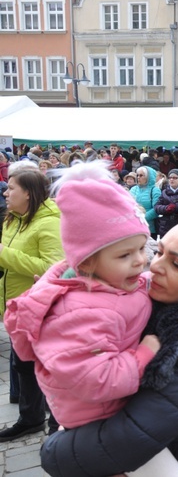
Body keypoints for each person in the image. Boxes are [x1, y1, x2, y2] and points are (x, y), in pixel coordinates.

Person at [40, 214, 178, 476]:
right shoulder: (148, 304)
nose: (156, 266)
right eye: (159, 252)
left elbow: (130, 439)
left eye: (177, 265)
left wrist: (54, 450)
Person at [4, 162, 178, 474]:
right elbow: (97, 380)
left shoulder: (114, 283)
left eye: (142, 248)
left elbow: (139, 288)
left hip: (110, 409)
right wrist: (145, 353)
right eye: (124, 255)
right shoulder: (81, 311)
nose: (140, 261)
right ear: (87, 263)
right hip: (96, 417)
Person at [0, 166, 63, 441]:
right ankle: (30, 419)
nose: (6, 192)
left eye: (11, 187)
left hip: (39, 311)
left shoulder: (49, 221)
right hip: (16, 307)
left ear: (28, 193)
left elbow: (53, 267)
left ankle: (56, 427)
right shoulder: (14, 218)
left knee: (45, 369)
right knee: (22, 366)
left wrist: (4, 255)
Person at [130, 166, 161, 239]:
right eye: (137, 175)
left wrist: (142, 218)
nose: (138, 177)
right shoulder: (133, 189)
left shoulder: (155, 190)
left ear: (148, 177)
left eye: (141, 175)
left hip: (149, 228)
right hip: (133, 226)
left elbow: (156, 209)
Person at [154, 169, 178, 238]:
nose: (171, 179)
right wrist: (166, 208)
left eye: (175, 178)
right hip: (165, 226)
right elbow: (156, 207)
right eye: (170, 178)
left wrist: (176, 207)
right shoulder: (164, 192)